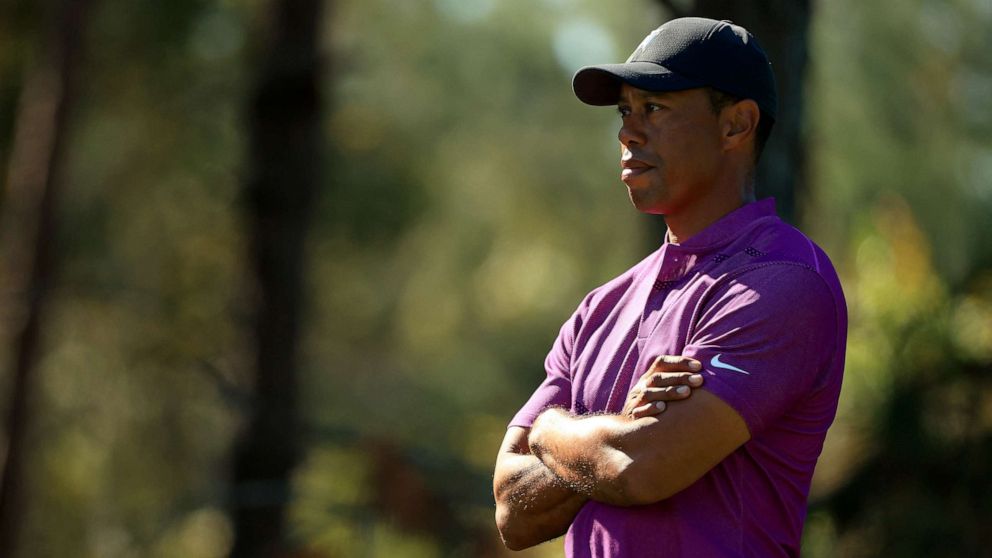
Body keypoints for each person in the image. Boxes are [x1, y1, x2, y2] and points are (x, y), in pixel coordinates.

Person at [492, 17, 847, 558]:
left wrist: (547, 429)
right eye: (625, 111)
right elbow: (513, 513)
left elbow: (640, 468)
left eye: (654, 108)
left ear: (736, 125)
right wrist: (616, 432)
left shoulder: (783, 283)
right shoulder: (600, 308)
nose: (628, 132)